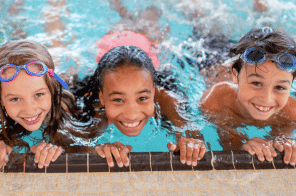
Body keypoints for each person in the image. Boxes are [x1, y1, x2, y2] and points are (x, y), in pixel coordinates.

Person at [72, 45, 207, 168]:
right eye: (118, 100)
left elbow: (192, 135)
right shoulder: (92, 107)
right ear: (102, 97)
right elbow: (81, 149)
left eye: (142, 98)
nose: (132, 115)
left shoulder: (168, 100)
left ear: (153, 92)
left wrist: (190, 145)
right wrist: (100, 149)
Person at [0, 40, 86, 170]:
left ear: (52, 90)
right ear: (0, 100)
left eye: (39, 95)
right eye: (15, 99)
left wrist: (60, 150)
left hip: (71, 86)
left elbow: (85, 150)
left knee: (62, 51)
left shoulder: (66, 106)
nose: (29, 110)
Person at [200, 27, 296, 164]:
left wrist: (286, 145)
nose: (266, 99)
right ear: (235, 75)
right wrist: (241, 146)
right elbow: (227, 136)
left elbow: (280, 141)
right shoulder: (215, 102)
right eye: (256, 83)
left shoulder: (291, 114)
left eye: (280, 87)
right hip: (211, 55)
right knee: (205, 28)